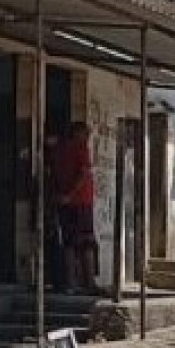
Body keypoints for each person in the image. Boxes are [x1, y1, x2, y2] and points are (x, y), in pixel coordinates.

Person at [51, 121, 99, 295]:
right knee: (86, 242)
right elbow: (83, 174)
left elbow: (53, 175)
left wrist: (60, 195)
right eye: (85, 133)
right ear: (78, 133)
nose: (87, 137)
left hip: (65, 202)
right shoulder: (80, 148)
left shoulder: (58, 150)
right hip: (81, 202)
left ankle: (71, 283)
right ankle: (89, 282)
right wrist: (71, 194)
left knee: (69, 243)